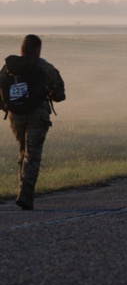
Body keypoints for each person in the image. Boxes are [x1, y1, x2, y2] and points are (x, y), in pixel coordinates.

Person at [0, 34, 66, 210]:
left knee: (23, 151)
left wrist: (9, 106)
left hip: (16, 115)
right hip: (38, 114)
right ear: (37, 49)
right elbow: (60, 95)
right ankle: (26, 195)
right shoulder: (44, 66)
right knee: (33, 154)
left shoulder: (9, 66)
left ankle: (22, 191)